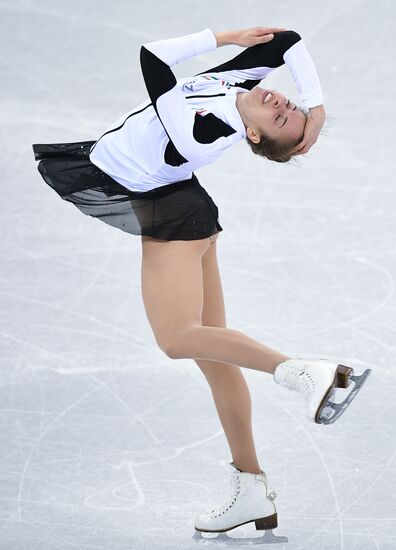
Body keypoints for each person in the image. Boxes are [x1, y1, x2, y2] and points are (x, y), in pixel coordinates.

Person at [32, 26, 371, 540]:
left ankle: (304, 372)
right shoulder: (239, 85)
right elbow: (289, 42)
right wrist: (315, 109)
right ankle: (251, 486)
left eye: (281, 116)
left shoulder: (202, 129)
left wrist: (220, 37)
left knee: (176, 338)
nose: (281, 100)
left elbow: (153, 58)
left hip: (170, 212)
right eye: (288, 104)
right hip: (184, 205)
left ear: (253, 136)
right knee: (215, 357)